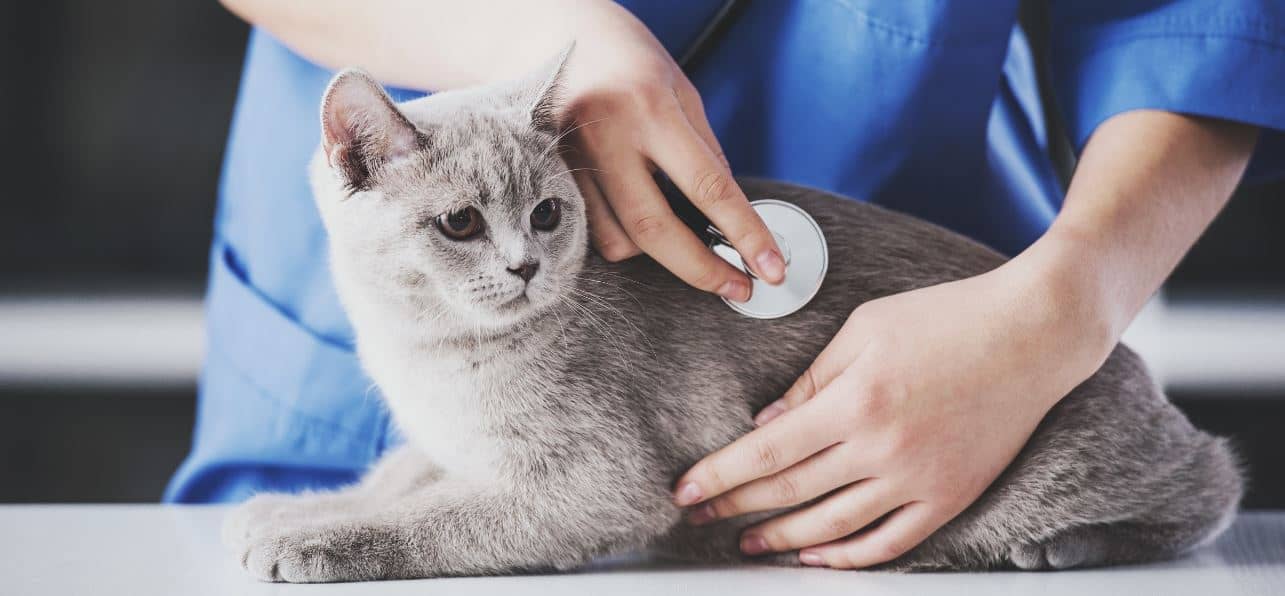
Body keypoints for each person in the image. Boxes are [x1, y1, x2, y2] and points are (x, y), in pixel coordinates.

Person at [168, 0, 1284, 569]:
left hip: (942, 349)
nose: (512, 256)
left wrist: (1064, 305)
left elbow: (1195, 20)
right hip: (403, 213)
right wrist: (554, 35)